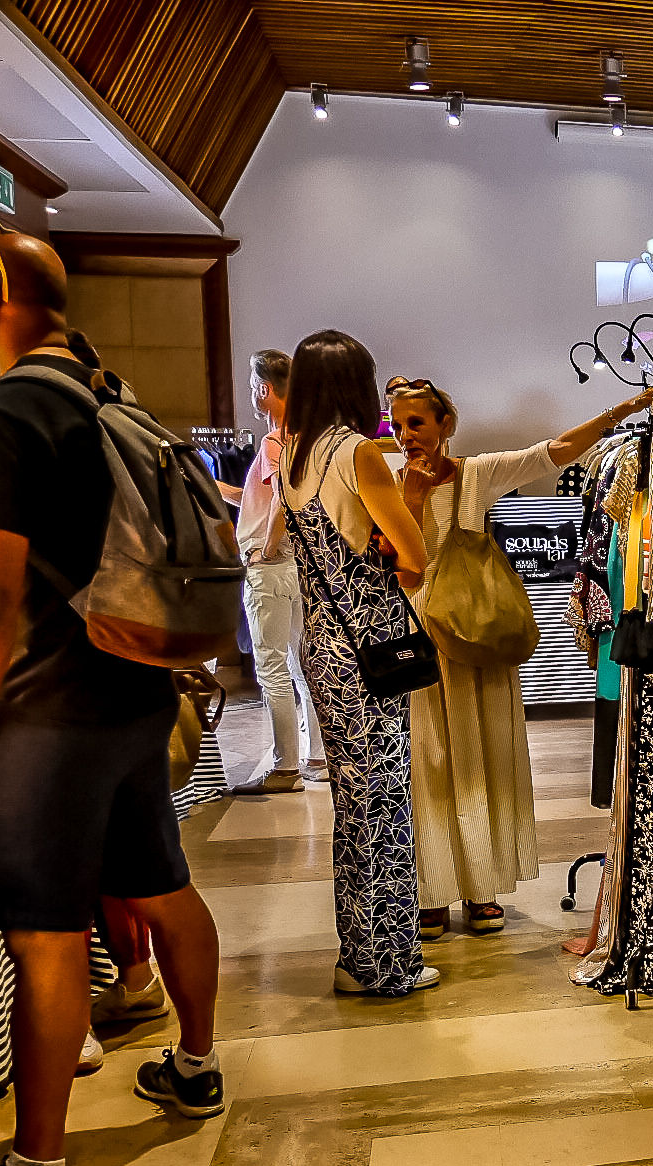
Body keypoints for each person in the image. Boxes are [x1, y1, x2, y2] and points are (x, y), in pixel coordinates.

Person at [0, 227, 224, 1166]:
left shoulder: (3, 414)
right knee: (163, 885)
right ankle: (196, 1067)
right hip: (134, 689)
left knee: (44, 938)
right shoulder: (107, 393)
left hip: (47, 712)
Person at [386, 378, 653, 939]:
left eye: (417, 422)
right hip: (420, 635)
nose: (406, 435)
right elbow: (396, 564)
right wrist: (410, 499)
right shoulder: (387, 483)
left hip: (476, 634)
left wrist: (621, 411)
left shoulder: (476, 474)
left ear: (445, 424)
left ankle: (481, 888)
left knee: (482, 758)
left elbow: (552, 452)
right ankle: (431, 890)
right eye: (397, 424)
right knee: (428, 764)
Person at [280, 331, 433, 996]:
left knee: (354, 803)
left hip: (323, 643)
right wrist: (410, 502)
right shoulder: (358, 452)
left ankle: (358, 954)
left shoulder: (296, 455)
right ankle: (385, 965)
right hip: (370, 649)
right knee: (384, 805)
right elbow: (414, 557)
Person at [234, 349, 327, 794]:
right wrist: (219, 490)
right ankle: (316, 757)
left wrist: (266, 548)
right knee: (298, 665)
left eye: (254, 386)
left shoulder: (275, 441)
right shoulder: (303, 439)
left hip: (271, 566)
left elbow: (280, 500)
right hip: (294, 567)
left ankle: (285, 767)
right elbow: (264, 497)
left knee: (272, 667)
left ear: (264, 389)